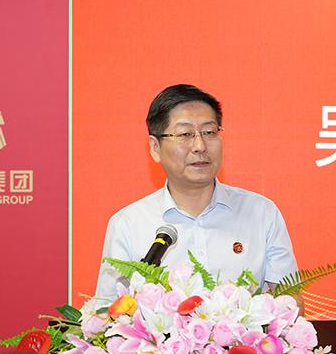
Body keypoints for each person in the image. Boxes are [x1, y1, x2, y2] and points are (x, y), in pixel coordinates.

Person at [94, 84, 298, 303]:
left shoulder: (261, 213)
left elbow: (290, 302)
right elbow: (107, 311)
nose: (200, 146)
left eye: (209, 132)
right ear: (155, 147)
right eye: (185, 134)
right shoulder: (127, 224)